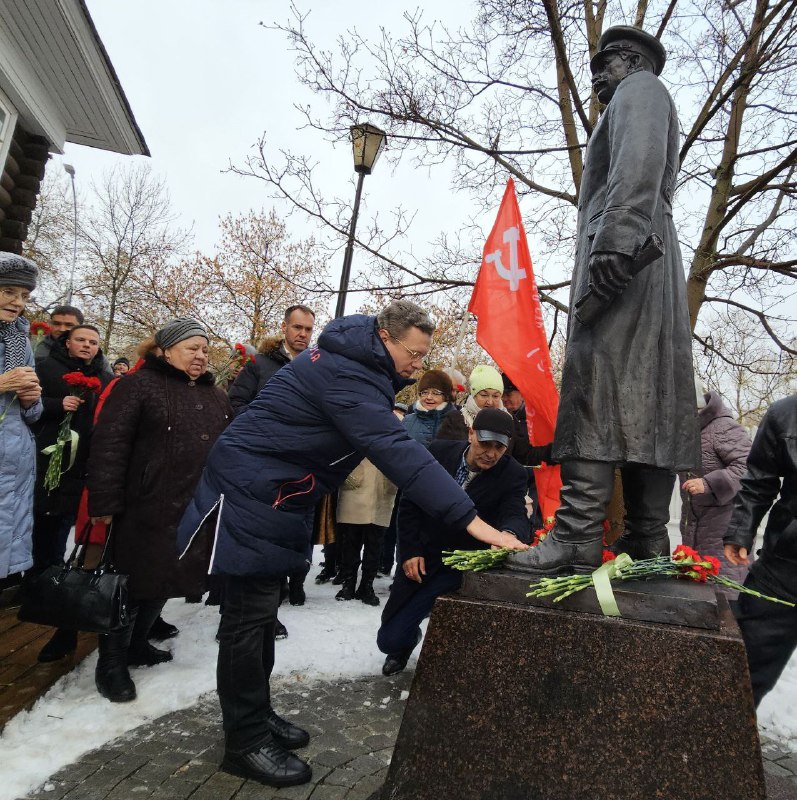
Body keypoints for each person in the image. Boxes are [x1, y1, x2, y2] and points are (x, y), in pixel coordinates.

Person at [176, 300, 527, 788]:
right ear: (386, 338)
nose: (419, 365)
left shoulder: (353, 365)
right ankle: (245, 741)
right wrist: (473, 522)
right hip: (250, 493)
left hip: (274, 493)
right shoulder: (347, 375)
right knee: (245, 622)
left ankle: (257, 714)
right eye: (415, 352)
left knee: (258, 621)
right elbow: (398, 451)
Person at [507, 26, 698, 575]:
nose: (596, 74)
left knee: (596, 381)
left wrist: (616, 237)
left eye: (605, 62)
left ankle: (575, 535)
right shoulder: (641, 97)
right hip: (647, 260)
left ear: (632, 61)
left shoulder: (642, 90)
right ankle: (646, 540)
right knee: (648, 396)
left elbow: (636, 163)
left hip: (625, 259)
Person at [87, 318, 232, 703]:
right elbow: (109, 445)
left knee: (165, 579)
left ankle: (138, 644)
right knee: (131, 585)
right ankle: (111, 663)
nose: (201, 355)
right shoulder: (136, 386)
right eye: (192, 348)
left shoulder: (216, 394)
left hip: (194, 507)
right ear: (164, 350)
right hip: (144, 507)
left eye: (204, 349)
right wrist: (103, 501)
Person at [377, 408, 528, 675]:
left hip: (461, 562)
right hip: (422, 555)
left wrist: (508, 535)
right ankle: (406, 642)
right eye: (485, 444)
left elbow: (514, 511)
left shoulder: (512, 473)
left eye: (499, 448)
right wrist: (410, 551)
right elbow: (410, 504)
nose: (491, 454)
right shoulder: (437, 452)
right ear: (471, 433)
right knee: (390, 639)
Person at [228, 305, 316, 621]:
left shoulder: (316, 368)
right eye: (297, 327)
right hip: (261, 463)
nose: (302, 334)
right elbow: (236, 403)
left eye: (308, 329)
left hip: (300, 467)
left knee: (290, 533)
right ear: (284, 327)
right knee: (260, 535)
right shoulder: (259, 365)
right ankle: (255, 612)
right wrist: (261, 430)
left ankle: (283, 592)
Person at [32, 324, 112, 662]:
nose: (88, 346)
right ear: (67, 342)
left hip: (91, 467)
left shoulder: (106, 378)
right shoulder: (47, 368)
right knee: (67, 543)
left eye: (94, 342)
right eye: (81, 340)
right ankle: (58, 618)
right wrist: (55, 405)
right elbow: (28, 408)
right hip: (54, 458)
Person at [724, 395, 797, 707]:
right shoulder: (786, 413)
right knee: (742, 672)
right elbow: (758, 480)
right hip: (783, 569)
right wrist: (741, 530)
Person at [680, 388, 751, 593]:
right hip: (694, 532)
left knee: (724, 597)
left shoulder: (724, 427)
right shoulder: (691, 432)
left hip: (723, 533)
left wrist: (710, 483)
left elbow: (750, 469)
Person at [0, 253, 42, 582]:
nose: (18, 303)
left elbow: (29, 413)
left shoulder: (19, 340)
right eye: (9, 292)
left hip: (13, 470)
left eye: (25, 296)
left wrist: (31, 400)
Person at [335, 457, 399, 605]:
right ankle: (348, 584)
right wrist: (345, 473)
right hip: (356, 484)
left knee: (375, 544)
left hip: (383, 486)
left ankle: (366, 586)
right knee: (350, 541)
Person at [435, 364, 507, 441]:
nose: (490, 402)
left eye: (495, 396)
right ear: (474, 395)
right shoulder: (456, 419)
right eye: (484, 395)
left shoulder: (509, 421)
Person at [403, 369, 455, 446]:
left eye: (435, 393)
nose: (429, 397)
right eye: (425, 392)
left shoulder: (456, 422)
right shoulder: (407, 421)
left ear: (446, 396)